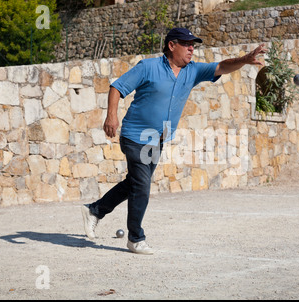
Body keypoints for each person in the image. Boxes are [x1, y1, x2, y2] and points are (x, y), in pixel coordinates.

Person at [82, 27, 267, 254]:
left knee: (134, 184)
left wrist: (245, 60)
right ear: (172, 45)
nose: (191, 48)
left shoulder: (192, 71)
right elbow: (117, 87)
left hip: (157, 140)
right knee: (142, 185)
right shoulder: (148, 67)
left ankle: (95, 210)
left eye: (193, 45)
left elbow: (222, 66)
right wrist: (111, 115)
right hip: (135, 135)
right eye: (187, 44)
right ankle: (135, 238)